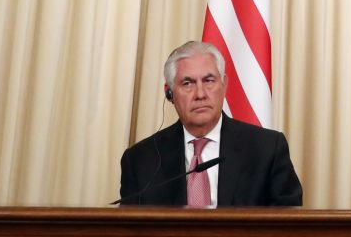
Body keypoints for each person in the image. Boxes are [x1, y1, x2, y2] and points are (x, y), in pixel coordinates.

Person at [119, 41, 302, 206]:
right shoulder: (140, 160)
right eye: (188, 83)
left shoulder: (267, 149)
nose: (200, 94)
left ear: (224, 85)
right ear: (170, 93)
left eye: (208, 81)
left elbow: (289, 225)